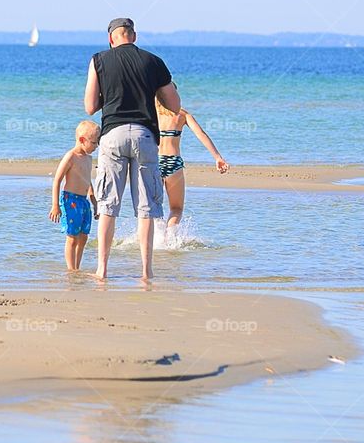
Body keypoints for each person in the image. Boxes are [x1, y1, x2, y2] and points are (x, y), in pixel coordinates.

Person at [84, 18, 180, 280]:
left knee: (107, 205)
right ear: (134, 36)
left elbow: (90, 107)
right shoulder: (153, 61)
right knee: (146, 207)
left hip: (112, 135)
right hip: (145, 135)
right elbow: (173, 104)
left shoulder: (98, 60)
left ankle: (102, 269)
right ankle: (146, 271)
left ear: (111, 39)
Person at [156, 97, 230, 233]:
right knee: (176, 209)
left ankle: (155, 238)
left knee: (153, 207)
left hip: (154, 163)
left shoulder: (149, 113)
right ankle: (168, 240)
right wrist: (217, 157)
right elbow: (201, 134)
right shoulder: (182, 114)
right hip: (173, 162)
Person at [48, 120, 100, 271]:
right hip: (70, 200)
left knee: (83, 237)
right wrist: (55, 205)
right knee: (72, 237)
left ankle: (77, 267)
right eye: (94, 143)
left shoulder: (88, 158)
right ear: (82, 140)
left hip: (84, 202)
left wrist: (94, 201)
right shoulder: (71, 157)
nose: (96, 146)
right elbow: (57, 180)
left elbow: (87, 180)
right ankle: (71, 270)